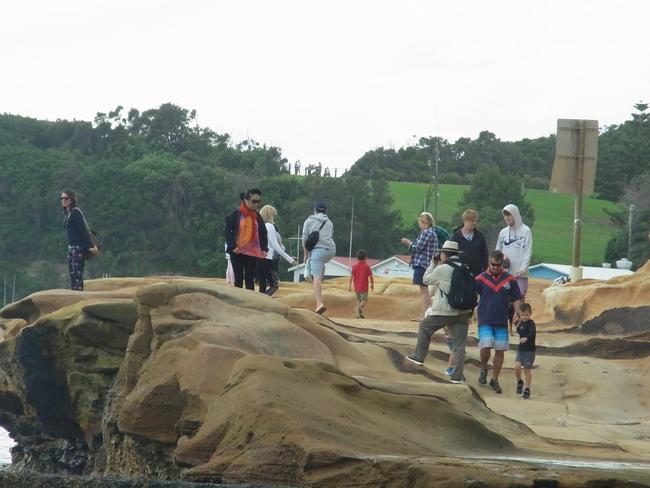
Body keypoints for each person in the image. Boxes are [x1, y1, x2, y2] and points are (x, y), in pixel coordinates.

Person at [405, 241, 472, 383]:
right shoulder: (465, 268)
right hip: (463, 312)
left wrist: (433, 264)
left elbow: (426, 279)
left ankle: (418, 357)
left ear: (444, 254)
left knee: (424, 327)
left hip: (444, 311)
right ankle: (457, 376)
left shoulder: (443, 269)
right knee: (459, 345)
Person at [475, 250, 523, 394]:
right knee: (485, 347)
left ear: (502, 263)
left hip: (501, 320)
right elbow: (472, 295)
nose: (495, 267)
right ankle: (483, 368)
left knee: (500, 350)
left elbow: (516, 298)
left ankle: (494, 379)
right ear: (489, 263)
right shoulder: (480, 279)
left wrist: (517, 313)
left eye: (498, 265)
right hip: (485, 318)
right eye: (493, 264)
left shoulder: (510, 280)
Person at [496, 204, 533, 333]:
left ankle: (523, 327)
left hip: (520, 274)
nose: (507, 218)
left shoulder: (526, 231)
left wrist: (522, 269)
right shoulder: (503, 233)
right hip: (505, 274)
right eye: (505, 215)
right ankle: (504, 326)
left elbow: (528, 252)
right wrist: (500, 264)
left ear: (515, 215)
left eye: (509, 215)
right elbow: (497, 251)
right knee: (505, 300)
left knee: (520, 300)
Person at [224, 189, 268, 290]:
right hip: (237, 251)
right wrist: (232, 246)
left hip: (252, 252)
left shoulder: (257, 216)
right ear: (246, 200)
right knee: (238, 279)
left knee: (250, 279)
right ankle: (238, 302)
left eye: (258, 202)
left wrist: (264, 248)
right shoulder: (236, 214)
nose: (256, 204)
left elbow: (263, 232)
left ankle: (250, 302)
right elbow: (227, 231)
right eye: (254, 201)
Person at [400, 212, 439, 321]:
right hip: (427, 264)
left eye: (421, 222)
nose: (419, 224)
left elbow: (418, 248)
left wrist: (408, 243)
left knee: (424, 291)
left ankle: (423, 315)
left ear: (425, 222)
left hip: (422, 264)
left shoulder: (427, 233)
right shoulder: (431, 233)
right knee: (425, 290)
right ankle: (427, 313)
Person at [302, 202, 336, 314]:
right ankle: (322, 272)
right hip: (331, 250)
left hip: (318, 251)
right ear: (325, 211)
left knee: (315, 277)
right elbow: (330, 235)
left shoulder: (309, 221)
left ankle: (319, 303)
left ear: (315, 210)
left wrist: (305, 254)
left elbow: (305, 239)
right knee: (321, 264)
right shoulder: (329, 222)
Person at [61, 190, 98, 291]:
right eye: (62, 198)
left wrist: (89, 246)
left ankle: (79, 296)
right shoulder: (68, 214)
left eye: (66, 198)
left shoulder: (75, 212)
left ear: (72, 199)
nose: (63, 200)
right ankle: (74, 295)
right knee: (72, 276)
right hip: (71, 248)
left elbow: (83, 231)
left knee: (77, 276)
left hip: (78, 248)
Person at [258, 205, 296, 295]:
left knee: (262, 286)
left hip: (257, 259)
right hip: (267, 259)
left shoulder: (258, 226)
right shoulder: (269, 226)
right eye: (273, 215)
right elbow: (276, 246)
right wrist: (290, 260)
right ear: (270, 215)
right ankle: (265, 300)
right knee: (274, 286)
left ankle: (260, 302)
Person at [451, 209, 489, 278]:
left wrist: (486, 272)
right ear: (465, 220)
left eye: (476, 221)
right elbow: (450, 255)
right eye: (472, 221)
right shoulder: (456, 236)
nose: (474, 223)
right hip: (460, 274)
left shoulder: (480, 236)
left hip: (477, 274)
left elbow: (485, 255)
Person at [514, 303, 536, 399]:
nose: (524, 317)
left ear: (530, 314)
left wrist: (526, 338)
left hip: (529, 351)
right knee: (516, 366)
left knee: (527, 369)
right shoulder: (522, 323)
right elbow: (521, 332)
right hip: (521, 349)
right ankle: (519, 381)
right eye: (522, 315)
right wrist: (517, 326)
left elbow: (532, 333)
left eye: (526, 315)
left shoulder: (531, 323)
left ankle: (527, 388)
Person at [348, 249, 374, 318]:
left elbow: (351, 276)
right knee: (364, 300)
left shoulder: (354, 267)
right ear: (366, 258)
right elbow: (371, 277)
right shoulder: (367, 267)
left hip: (356, 287)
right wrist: (372, 285)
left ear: (357, 258)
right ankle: (358, 308)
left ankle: (358, 314)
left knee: (358, 300)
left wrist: (349, 286)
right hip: (364, 287)